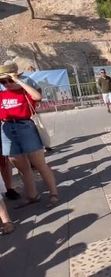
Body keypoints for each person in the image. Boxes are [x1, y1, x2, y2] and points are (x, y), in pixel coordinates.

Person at [0, 62, 59, 208]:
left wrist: (18, 81)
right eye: (2, 81)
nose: (7, 84)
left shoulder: (25, 91)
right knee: (21, 167)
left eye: (9, 80)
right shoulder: (1, 94)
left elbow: (38, 97)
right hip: (7, 129)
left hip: (25, 126)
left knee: (39, 164)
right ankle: (32, 195)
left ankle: (53, 193)